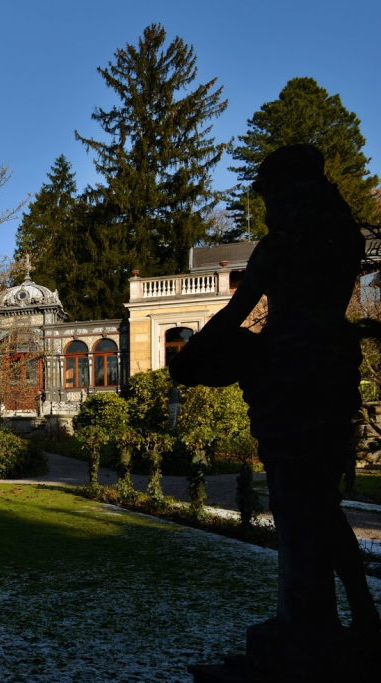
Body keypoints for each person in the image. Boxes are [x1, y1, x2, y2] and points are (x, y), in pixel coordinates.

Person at [170, 144, 379, 678]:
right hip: (332, 369)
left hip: (289, 374)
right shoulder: (345, 241)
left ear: (286, 193)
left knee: (294, 502)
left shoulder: (280, 248)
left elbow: (235, 312)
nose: (264, 208)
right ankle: (351, 617)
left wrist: (192, 355)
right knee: (320, 503)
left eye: (267, 196)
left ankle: (307, 627)